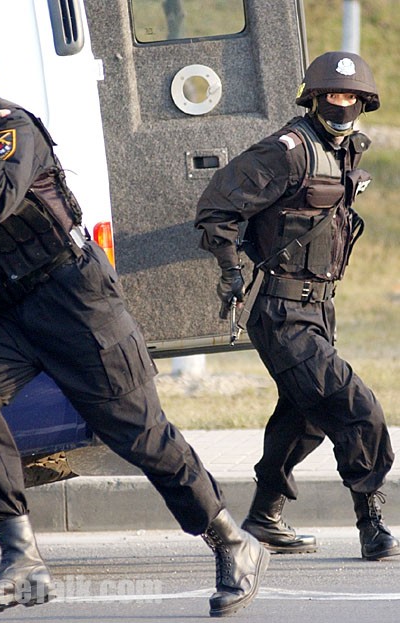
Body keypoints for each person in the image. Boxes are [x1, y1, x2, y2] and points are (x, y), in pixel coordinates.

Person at [0, 19, 269, 617]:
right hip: (15, 308)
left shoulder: (5, 129)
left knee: (141, 435)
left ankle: (232, 539)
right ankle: (22, 560)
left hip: (78, 301)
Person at [195, 51, 400, 561]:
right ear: (314, 97)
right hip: (282, 314)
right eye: (333, 94)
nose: (342, 104)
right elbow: (216, 206)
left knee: (304, 415)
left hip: (319, 310)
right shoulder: (288, 150)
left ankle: (264, 517)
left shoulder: (346, 149)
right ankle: (370, 522)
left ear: (363, 102)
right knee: (357, 407)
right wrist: (229, 269)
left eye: (351, 96)